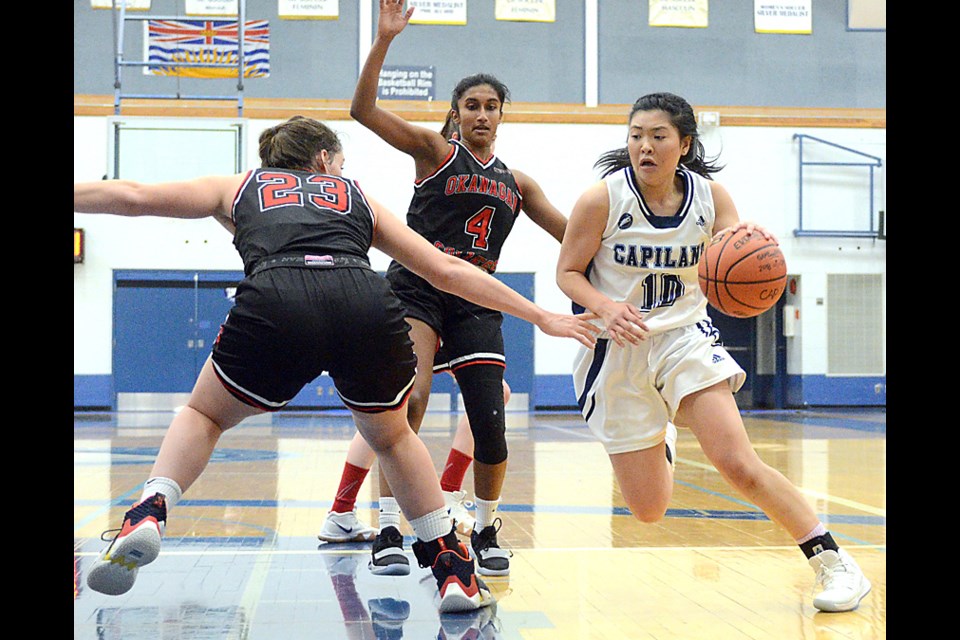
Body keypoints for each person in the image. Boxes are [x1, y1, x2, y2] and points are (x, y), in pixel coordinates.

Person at [74, 115, 599, 613]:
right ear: (325, 159)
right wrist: (541, 316)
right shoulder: (354, 196)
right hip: (362, 296)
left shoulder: (239, 186)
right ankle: (453, 568)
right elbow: (444, 269)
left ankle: (150, 509)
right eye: (341, 162)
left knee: (205, 415)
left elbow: (133, 196)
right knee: (392, 437)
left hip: (277, 293)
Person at [554, 92, 872, 613]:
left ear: (684, 144)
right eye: (636, 136)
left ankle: (833, 561)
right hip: (618, 351)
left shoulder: (710, 197)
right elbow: (566, 272)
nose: (645, 146)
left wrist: (753, 255)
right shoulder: (601, 200)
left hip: (685, 341)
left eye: (658, 137)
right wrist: (604, 306)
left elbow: (734, 252)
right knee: (649, 509)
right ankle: (665, 432)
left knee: (738, 463)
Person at [329, 0, 571, 578]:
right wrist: (385, 40)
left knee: (490, 420)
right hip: (415, 287)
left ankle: (485, 525)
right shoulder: (434, 152)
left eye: (491, 106)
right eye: (471, 106)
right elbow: (361, 110)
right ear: (456, 114)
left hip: (476, 297)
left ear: (502, 114)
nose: (481, 114)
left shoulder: (518, 182)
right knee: (407, 403)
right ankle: (389, 524)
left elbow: (573, 238)